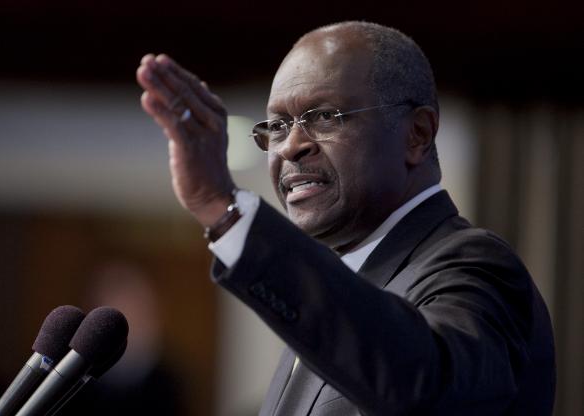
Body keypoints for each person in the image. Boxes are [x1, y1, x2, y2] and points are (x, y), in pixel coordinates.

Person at [136, 21, 555, 415]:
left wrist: (224, 209)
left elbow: (421, 384)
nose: (291, 147)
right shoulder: (343, 288)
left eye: (324, 117)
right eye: (278, 126)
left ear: (418, 135)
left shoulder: (474, 267)